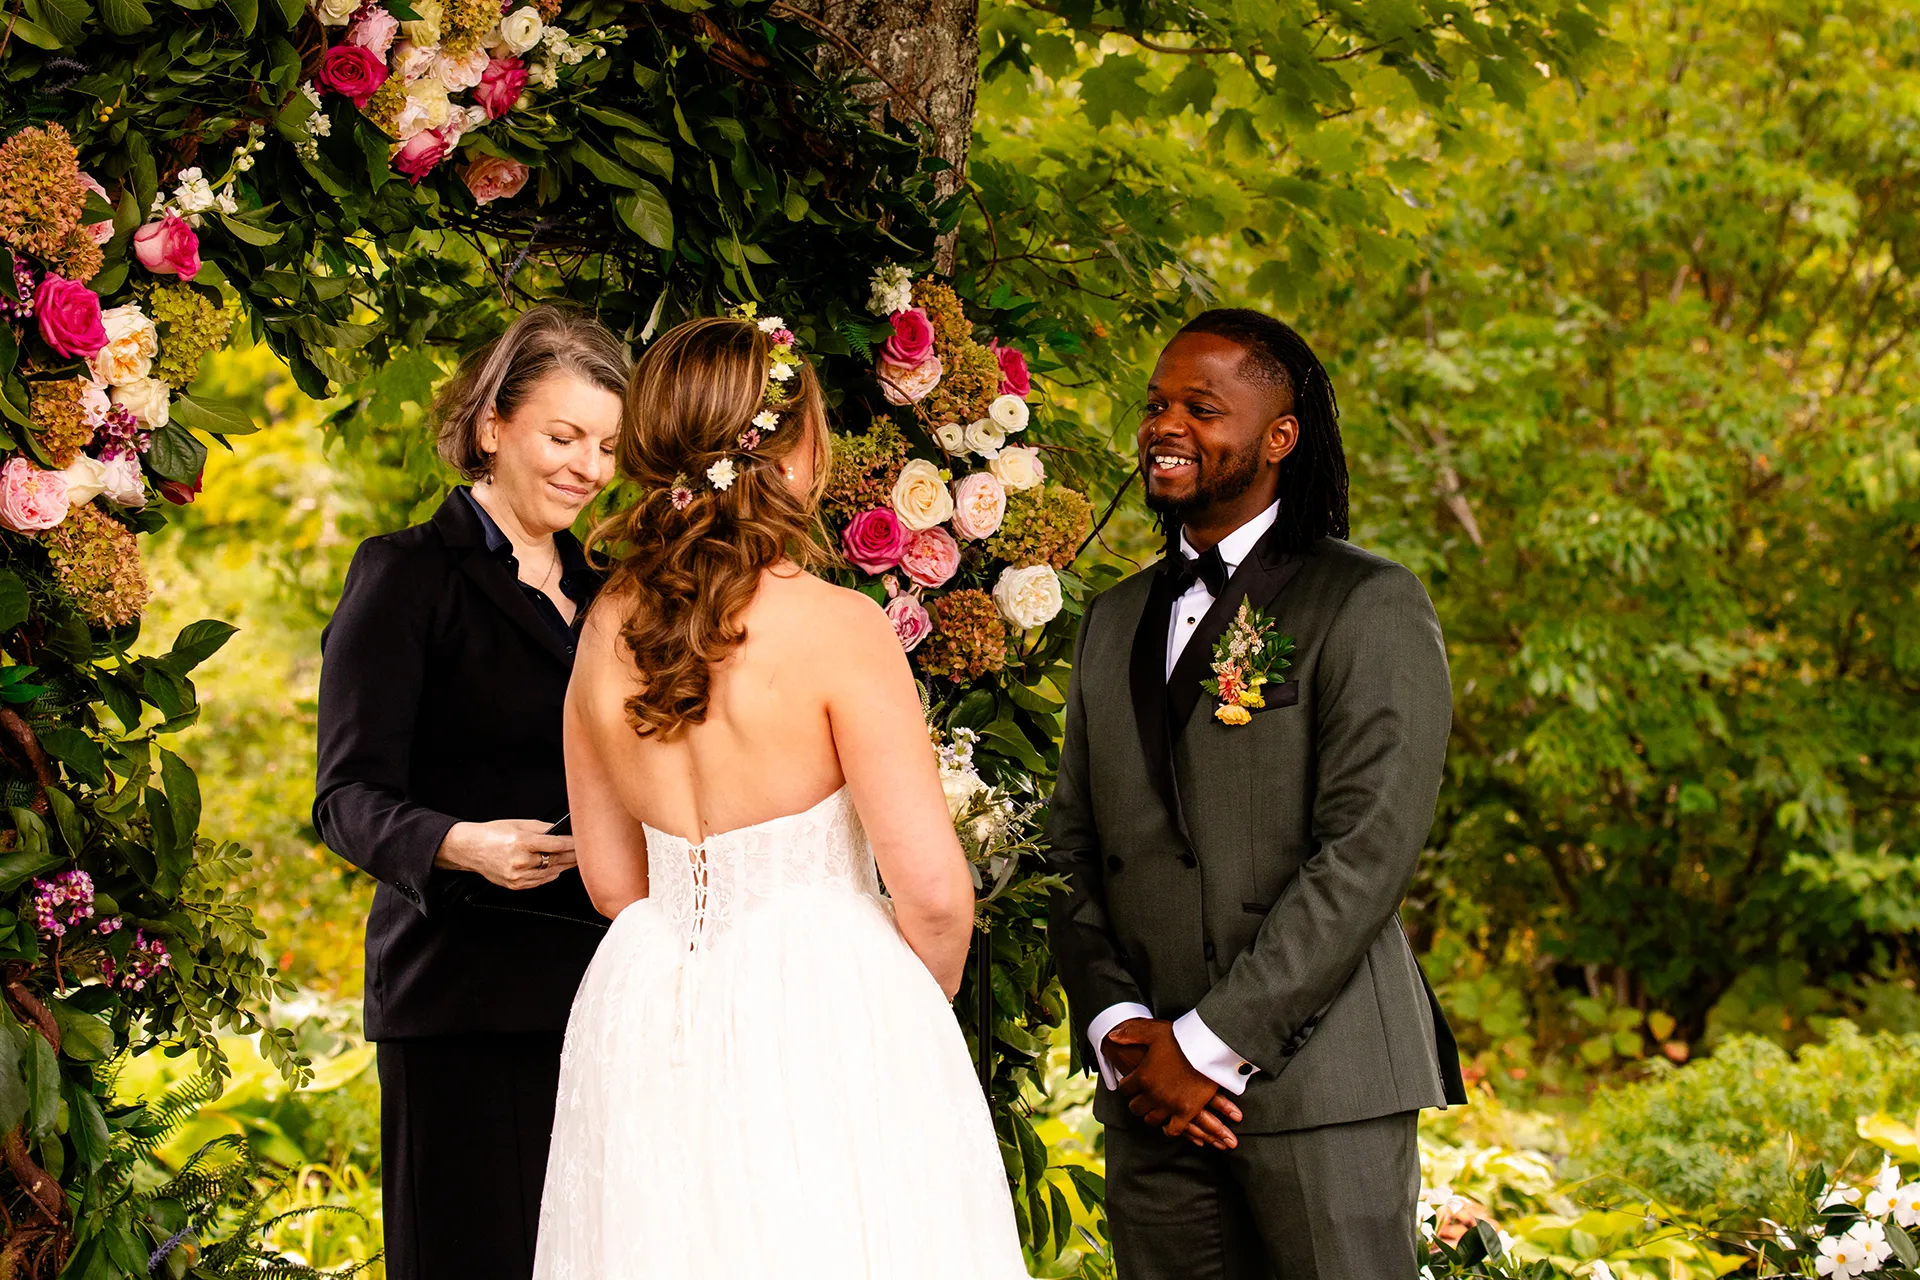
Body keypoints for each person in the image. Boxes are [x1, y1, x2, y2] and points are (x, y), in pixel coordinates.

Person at [532, 315, 1028, 1278]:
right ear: (791, 451)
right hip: (825, 1000)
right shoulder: (841, 627)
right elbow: (931, 893)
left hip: (649, 1000)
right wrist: (887, 1017)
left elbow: (608, 878)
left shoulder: (602, 626)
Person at [1047, 308, 1468, 1279]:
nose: (1166, 424)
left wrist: (1210, 1041)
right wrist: (1121, 1029)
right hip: (1148, 1090)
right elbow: (1067, 842)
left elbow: (1367, 849)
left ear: (1280, 437)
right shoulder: (1111, 619)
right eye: (1157, 404)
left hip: (1320, 1081)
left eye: (1202, 405)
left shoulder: (1367, 600)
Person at [313, 306, 629, 1280]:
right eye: (564, 435)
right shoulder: (407, 574)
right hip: (463, 999)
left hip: (612, 991)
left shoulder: (619, 592)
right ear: (494, 424)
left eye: (609, 445)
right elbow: (347, 793)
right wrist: (460, 841)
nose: (588, 466)